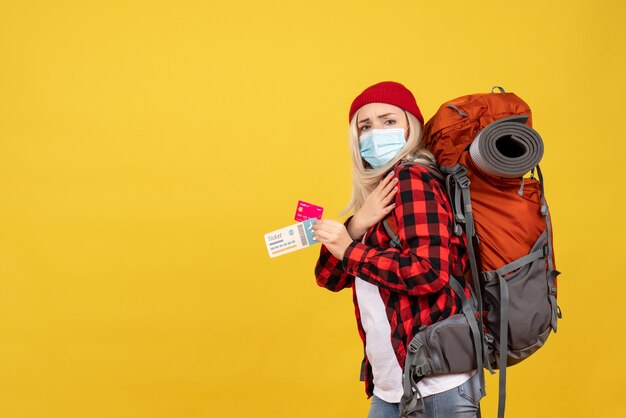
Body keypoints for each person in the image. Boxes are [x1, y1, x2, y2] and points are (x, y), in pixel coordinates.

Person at [312, 81, 482, 418]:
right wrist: (357, 224)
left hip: (437, 383)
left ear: (411, 128)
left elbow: (430, 272)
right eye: (365, 126)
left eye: (388, 121)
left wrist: (351, 250)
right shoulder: (380, 194)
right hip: (393, 382)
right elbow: (327, 277)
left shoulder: (412, 180)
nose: (376, 132)